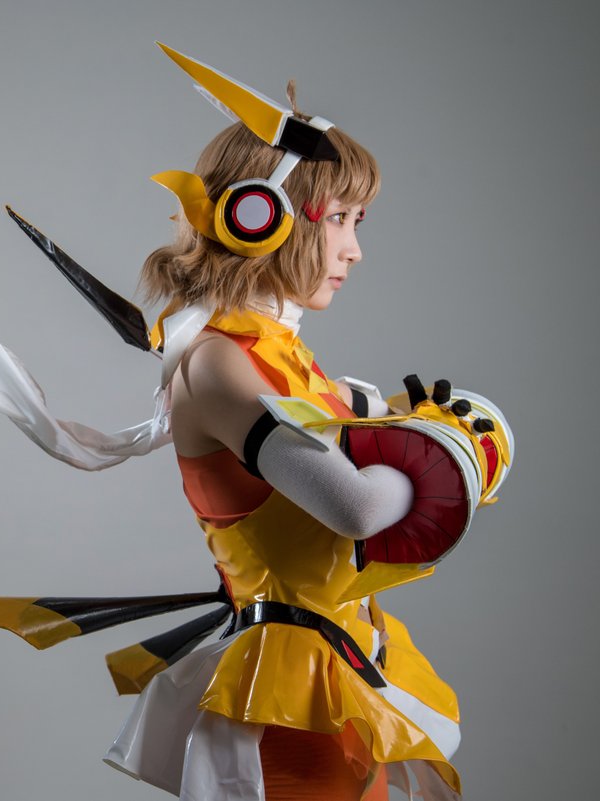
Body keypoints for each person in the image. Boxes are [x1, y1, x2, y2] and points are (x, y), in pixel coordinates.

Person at [100, 72, 463, 801]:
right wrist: (442, 447)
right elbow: (358, 509)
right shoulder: (218, 364)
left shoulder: (282, 356)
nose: (354, 249)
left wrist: (413, 417)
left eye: (359, 222)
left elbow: (356, 425)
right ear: (260, 216)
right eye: (341, 219)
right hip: (291, 702)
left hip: (341, 672)